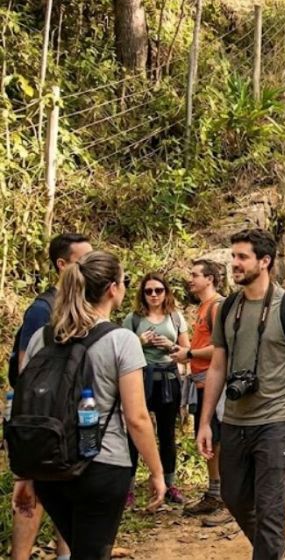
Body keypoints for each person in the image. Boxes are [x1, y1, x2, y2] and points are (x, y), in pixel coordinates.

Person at [12, 250, 166, 559]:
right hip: (103, 465)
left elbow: (27, 406)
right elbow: (136, 417)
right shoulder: (122, 340)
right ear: (112, 289)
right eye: (124, 281)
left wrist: (24, 475)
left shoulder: (43, 337)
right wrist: (157, 472)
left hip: (49, 466)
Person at [197, 228, 285, 559]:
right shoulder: (227, 308)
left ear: (264, 261)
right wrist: (206, 422)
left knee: (270, 508)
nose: (234, 263)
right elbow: (218, 367)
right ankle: (275, 546)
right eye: (233, 256)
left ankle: (269, 545)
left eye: (242, 257)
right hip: (235, 421)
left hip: (276, 422)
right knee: (234, 497)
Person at [7, 232, 91, 560]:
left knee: (65, 488)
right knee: (33, 494)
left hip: (64, 416)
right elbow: (27, 370)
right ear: (62, 264)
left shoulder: (78, 306)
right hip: (39, 417)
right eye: (83, 261)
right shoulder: (42, 310)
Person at [169, 259, 233, 526]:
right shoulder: (204, 307)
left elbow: (222, 348)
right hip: (201, 383)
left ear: (210, 279)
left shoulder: (217, 306)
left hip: (214, 385)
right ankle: (215, 494)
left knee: (221, 441)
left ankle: (229, 500)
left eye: (195, 275)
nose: (190, 279)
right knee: (209, 441)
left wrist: (190, 353)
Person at [123, 272, 191, 506]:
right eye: (149, 291)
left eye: (158, 290)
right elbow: (121, 351)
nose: (154, 295)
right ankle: (128, 489)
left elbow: (186, 352)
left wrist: (169, 345)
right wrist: (140, 341)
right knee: (133, 433)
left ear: (166, 292)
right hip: (140, 379)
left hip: (168, 379)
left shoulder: (175, 317)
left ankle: (169, 485)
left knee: (167, 434)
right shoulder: (133, 318)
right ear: (142, 294)